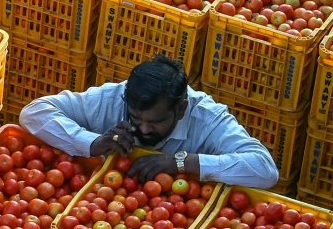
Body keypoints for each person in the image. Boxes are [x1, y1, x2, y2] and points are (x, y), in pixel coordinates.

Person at [18, 53, 280, 189]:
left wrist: (181, 162)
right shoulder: (111, 98)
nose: (143, 129)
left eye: (155, 122)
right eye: (135, 117)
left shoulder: (207, 118)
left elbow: (264, 170)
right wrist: (92, 142)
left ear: (180, 109)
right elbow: (34, 112)